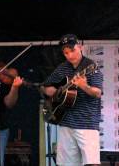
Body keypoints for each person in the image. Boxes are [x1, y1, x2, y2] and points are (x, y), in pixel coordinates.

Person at [42, 34, 103, 166]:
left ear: (80, 47)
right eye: (66, 53)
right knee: (65, 164)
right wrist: (53, 91)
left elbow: (97, 92)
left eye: (72, 50)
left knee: (92, 162)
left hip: (87, 122)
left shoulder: (91, 67)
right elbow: (45, 87)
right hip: (66, 121)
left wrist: (84, 86)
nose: (70, 55)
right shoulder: (62, 68)